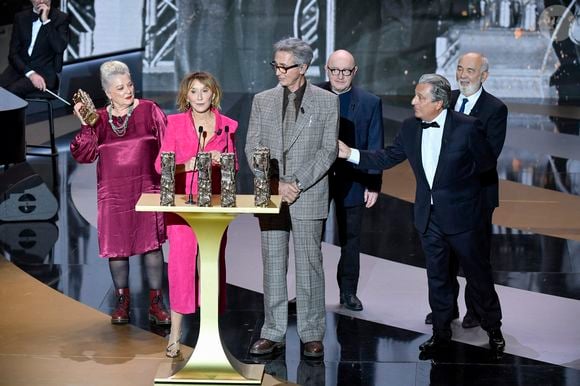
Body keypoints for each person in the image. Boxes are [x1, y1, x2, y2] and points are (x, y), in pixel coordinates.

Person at [338, 74, 505, 355]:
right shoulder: (410, 127)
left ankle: (493, 327)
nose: (413, 102)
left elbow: (486, 164)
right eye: (415, 95)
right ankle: (440, 334)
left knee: (478, 276)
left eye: (420, 97)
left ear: (439, 103)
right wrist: (351, 153)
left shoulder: (468, 127)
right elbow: (387, 157)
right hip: (428, 217)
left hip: (463, 218)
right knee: (437, 278)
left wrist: (465, 194)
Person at [245, 37, 339, 358]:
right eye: (276, 65)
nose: (279, 72)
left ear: (303, 68)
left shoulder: (327, 102)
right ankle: (272, 331)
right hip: (269, 192)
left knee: (309, 264)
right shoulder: (262, 100)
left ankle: (311, 332)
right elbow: (252, 147)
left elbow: (327, 151)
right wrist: (275, 183)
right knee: (272, 263)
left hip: (307, 192)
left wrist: (295, 182)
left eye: (285, 66)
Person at [70, 60, 171, 327]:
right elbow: (84, 154)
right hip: (113, 194)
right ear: (108, 93)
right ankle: (122, 301)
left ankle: (156, 303)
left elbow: (168, 146)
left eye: (130, 85)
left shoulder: (150, 110)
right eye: (120, 87)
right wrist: (85, 125)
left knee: (152, 247)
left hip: (147, 189)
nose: (127, 91)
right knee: (117, 248)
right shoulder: (99, 119)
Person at [155, 71, 237, 358]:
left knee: (211, 267)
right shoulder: (175, 124)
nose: (200, 97)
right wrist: (186, 164)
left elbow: (234, 167)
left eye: (205, 91)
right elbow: (159, 166)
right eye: (194, 91)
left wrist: (221, 161)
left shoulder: (227, 126)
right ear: (185, 96)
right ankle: (175, 334)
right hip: (182, 208)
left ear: (213, 94)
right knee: (180, 268)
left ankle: (210, 335)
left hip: (214, 207)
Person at [424, 53, 508, 329]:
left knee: (475, 258)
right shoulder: (445, 99)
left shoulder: (495, 109)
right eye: (460, 68)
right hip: (443, 198)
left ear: (484, 75)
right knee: (444, 258)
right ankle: (445, 309)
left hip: (477, 198)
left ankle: (476, 311)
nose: (463, 74)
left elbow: (488, 156)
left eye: (470, 70)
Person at [318, 49, 384, 311]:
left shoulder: (370, 102)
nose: (340, 76)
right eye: (335, 70)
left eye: (346, 71)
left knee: (351, 240)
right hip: (316, 180)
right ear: (327, 69)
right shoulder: (310, 96)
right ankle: (307, 294)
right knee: (309, 240)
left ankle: (348, 293)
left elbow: (376, 145)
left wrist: (373, 183)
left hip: (354, 179)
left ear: (354, 72)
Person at [0, 0, 69, 98]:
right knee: (2, 91)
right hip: (21, 68)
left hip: (44, 72)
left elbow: (59, 47)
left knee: (12, 92)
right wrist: (30, 73)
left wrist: (46, 21)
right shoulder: (21, 17)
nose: (41, 1)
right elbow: (13, 53)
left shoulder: (61, 18)